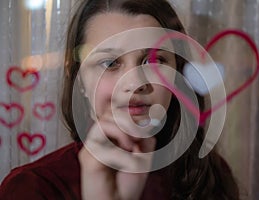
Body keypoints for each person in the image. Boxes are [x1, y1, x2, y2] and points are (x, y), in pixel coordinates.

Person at [0, 0, 239, 199]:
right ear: (78, 79)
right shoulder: (31, 188)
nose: (135, 83)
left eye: (154, 61)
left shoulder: (207, 175)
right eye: (110, 63)